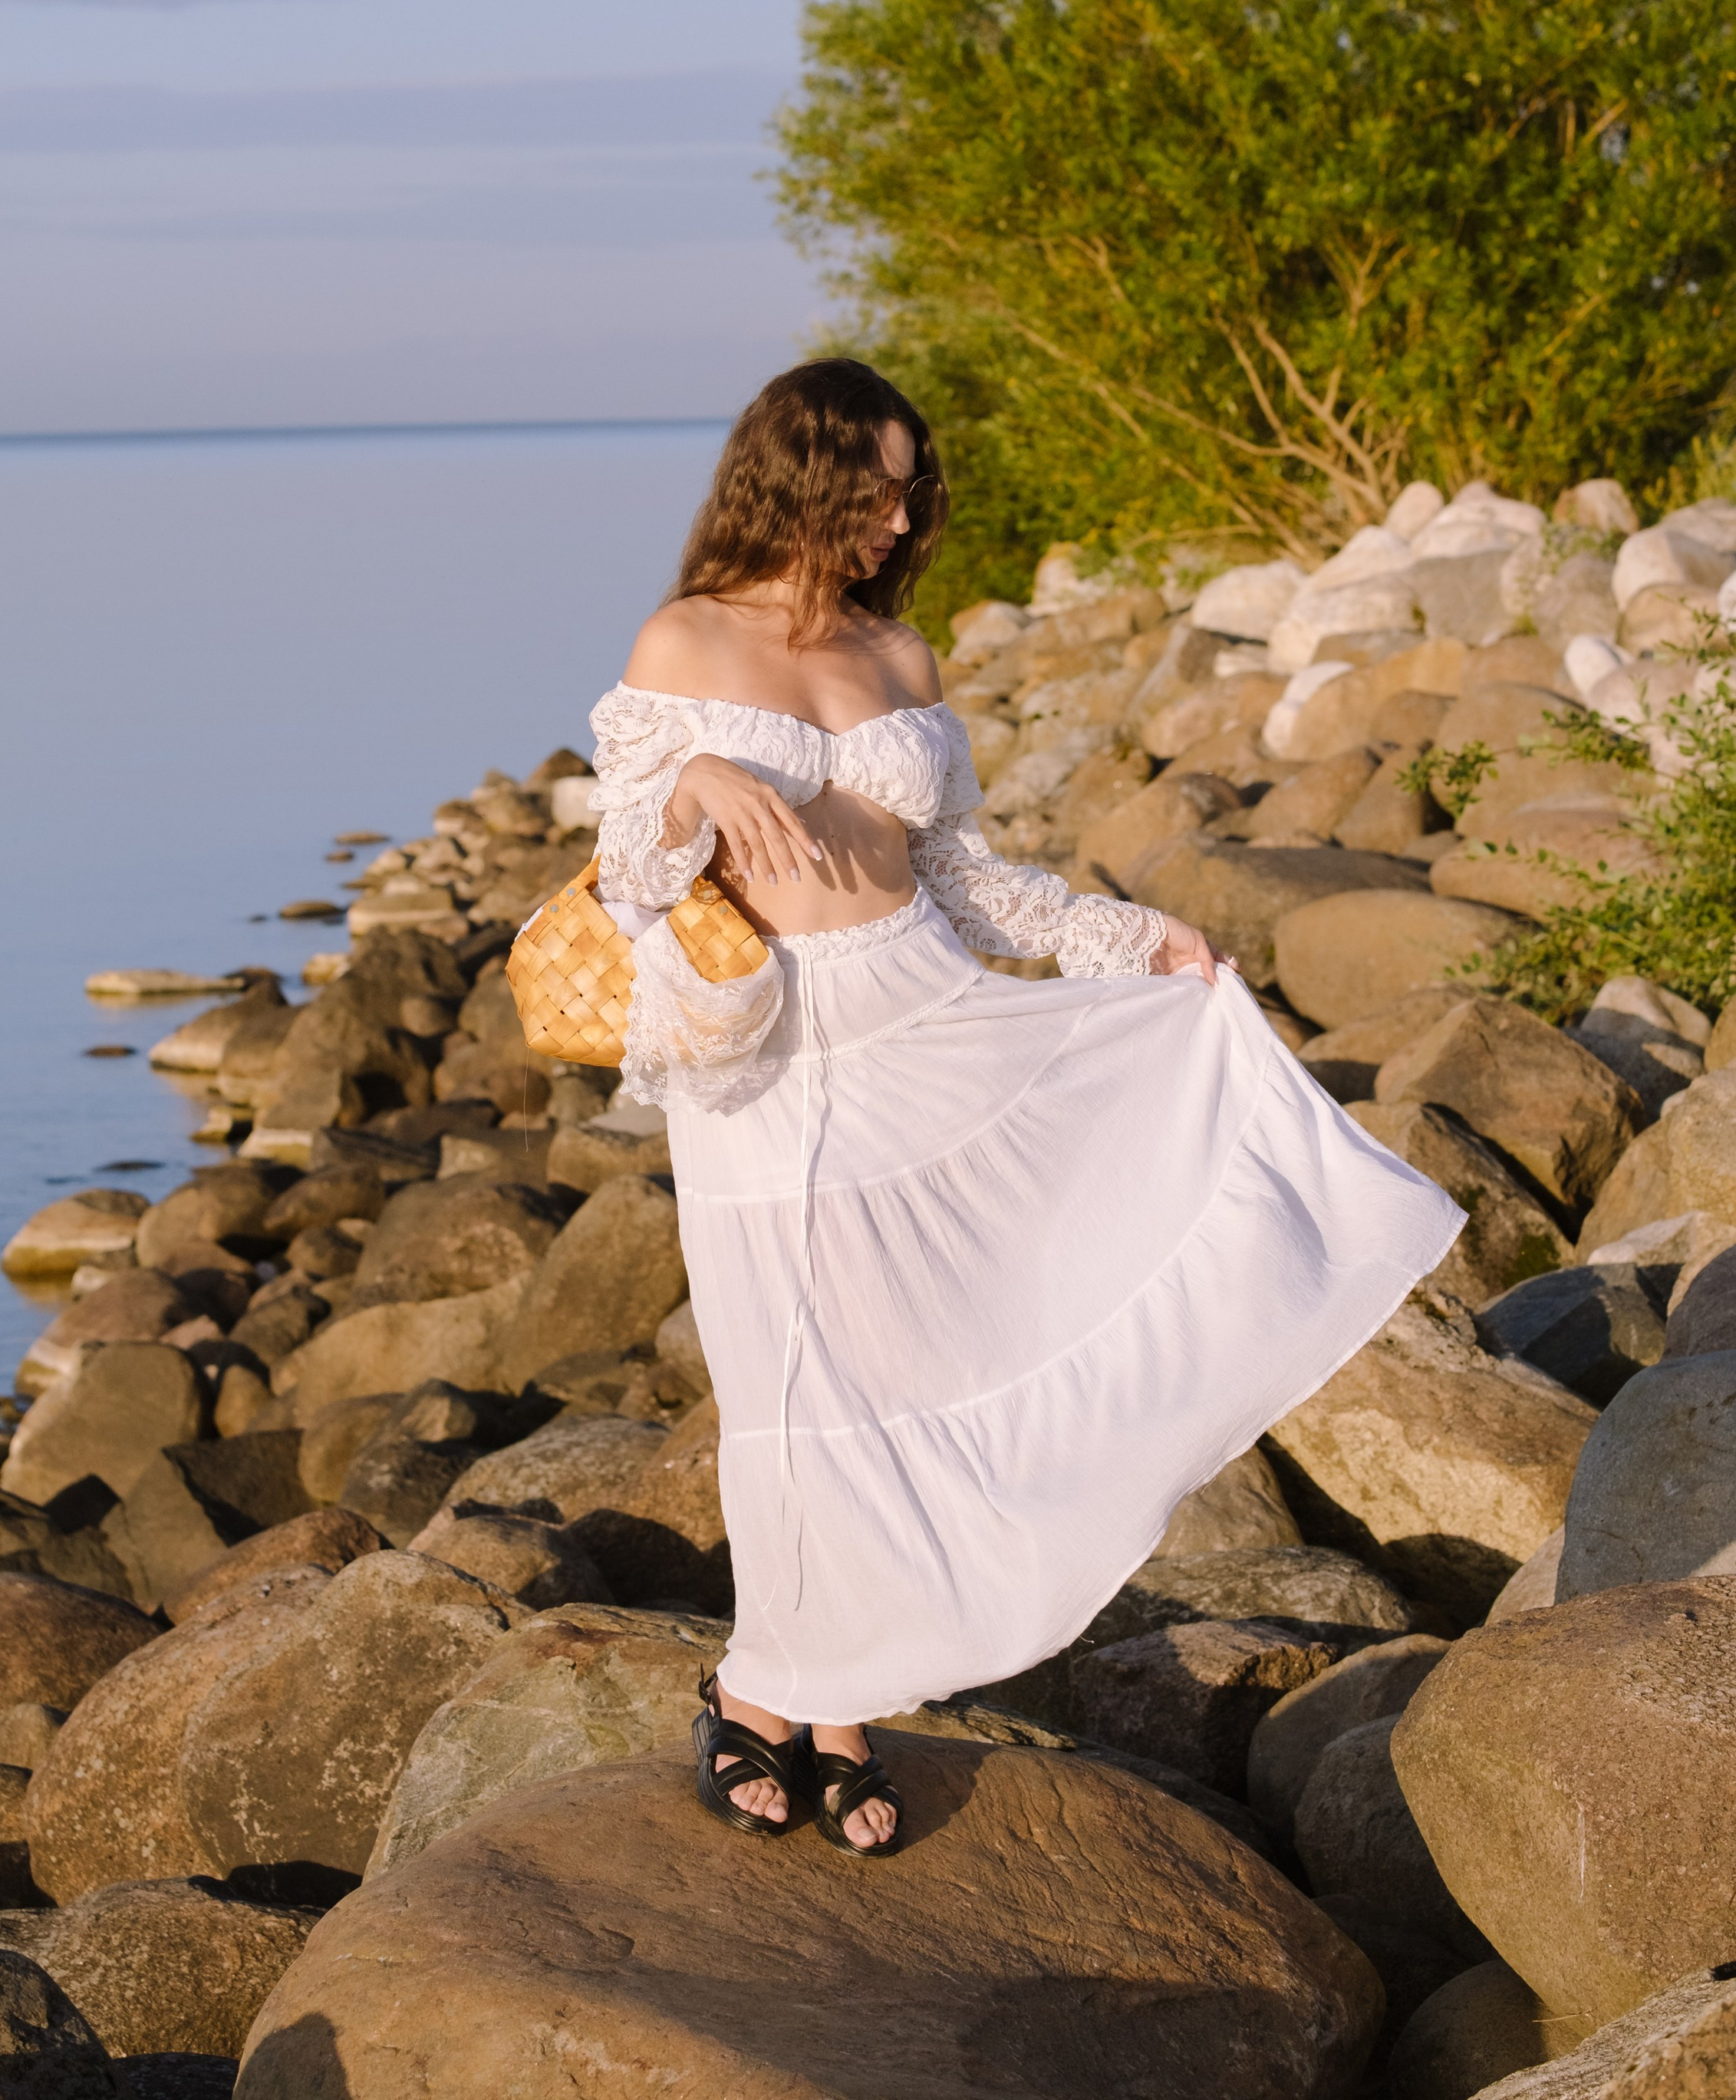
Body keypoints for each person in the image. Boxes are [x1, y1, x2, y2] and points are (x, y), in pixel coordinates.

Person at [588, 358, 1464, 1855]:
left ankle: (831, 1705)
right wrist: (689, 794)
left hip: (927, 1006)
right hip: (776, 1058)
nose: (899, 511)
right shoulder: (685, 638)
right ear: (792, 477)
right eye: (873, 484)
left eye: (911, 484)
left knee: (918, 1348)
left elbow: (954, 871)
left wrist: (1124, 940)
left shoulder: (899, 652)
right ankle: (760, 1694)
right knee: (797, 1387)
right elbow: (621, 878)